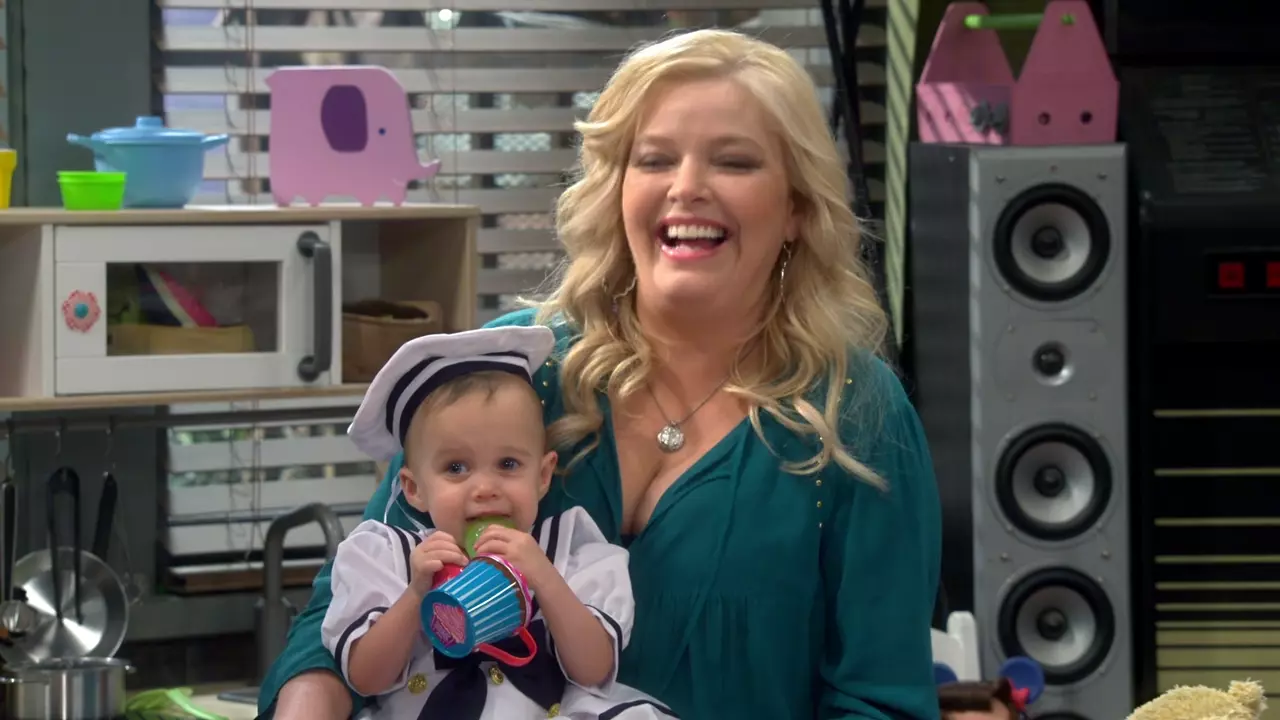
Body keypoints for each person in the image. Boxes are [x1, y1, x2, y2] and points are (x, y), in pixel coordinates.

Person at [259, 27, 942, 720]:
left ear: (796, 208)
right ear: (617, 189)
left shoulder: (857, 414)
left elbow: (879, 701)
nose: (687, 188)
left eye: (734, 162)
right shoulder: (511, 371)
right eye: (655, 160)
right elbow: (345, 614)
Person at [322, 325, 675, 719]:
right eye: (456, 468)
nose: (485, 488)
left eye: (508, 464)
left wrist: (544, 577)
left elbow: (593, 670)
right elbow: (366, 678)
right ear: (414, 488)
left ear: (543, 476)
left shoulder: (569, 548)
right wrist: (417, 592)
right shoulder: (389, 556)